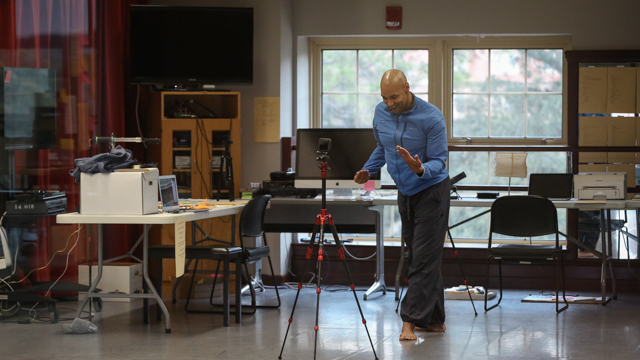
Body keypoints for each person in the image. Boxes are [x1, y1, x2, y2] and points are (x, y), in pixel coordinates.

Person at [354, 69, 450, 341]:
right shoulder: (381, 112)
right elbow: (383, 147)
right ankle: (434, 320)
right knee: (421, 256)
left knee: (422, 257)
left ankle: (409, 321)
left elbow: (440, 160)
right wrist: (368, 170)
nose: (389, 104)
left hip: (431, 190)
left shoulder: (431, 117)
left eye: (394, 97)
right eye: (384, 98)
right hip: (405, 191)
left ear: (407, 87)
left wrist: (420, 168)